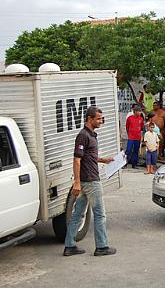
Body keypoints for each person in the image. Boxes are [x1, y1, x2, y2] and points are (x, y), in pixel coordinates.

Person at [64, 106, 116, 257]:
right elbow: (77, 159)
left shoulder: (91, 135)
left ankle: (70, 245)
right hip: (90, 181)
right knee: (100, 215)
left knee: (78, 214)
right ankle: (102, 246)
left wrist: (103, 160)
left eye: (101, 118)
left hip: (87, 181)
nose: (101, 121)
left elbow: (88, 155)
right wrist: (77, 182)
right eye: (98, 119)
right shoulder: (83, 135)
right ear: (89, 119)